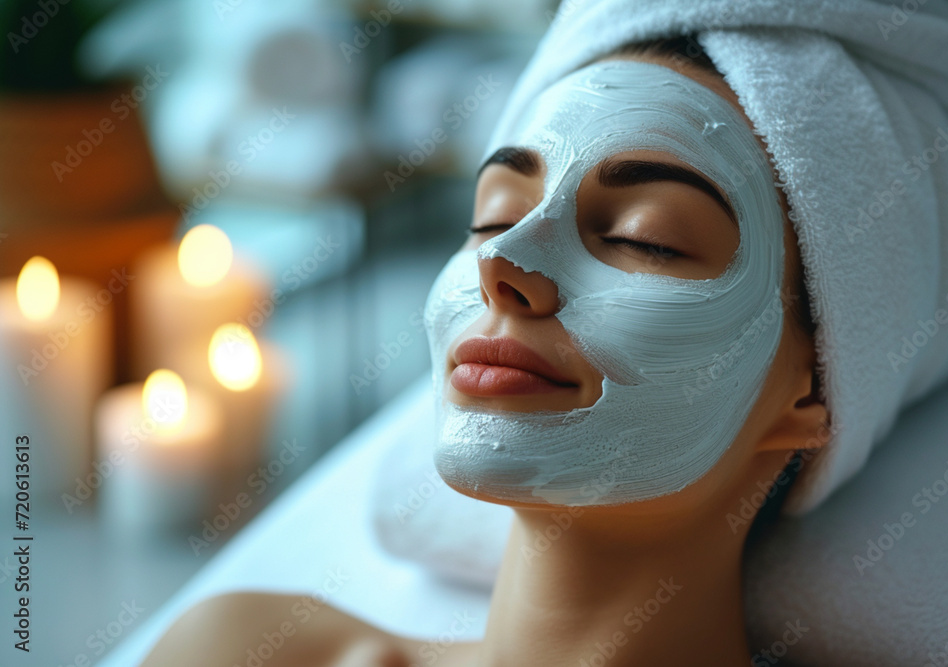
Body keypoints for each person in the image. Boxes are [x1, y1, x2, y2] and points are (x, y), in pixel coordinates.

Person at [141, 38, 832, 666]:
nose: (501, 262)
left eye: (644, 238)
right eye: (492, 217)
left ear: (812, 387)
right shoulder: (244, 651)